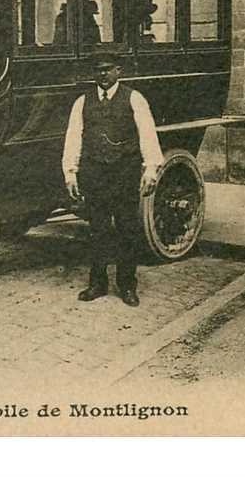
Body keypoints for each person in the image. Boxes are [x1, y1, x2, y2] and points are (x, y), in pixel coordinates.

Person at [62, 53, 163, 307]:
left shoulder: (134, 99)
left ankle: (127, 285)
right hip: (94, 172)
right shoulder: (82, 102)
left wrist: (151, 169)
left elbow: (148, 136)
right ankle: (97, 283)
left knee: (127, 227)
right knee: (97, 228)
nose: (103, 75)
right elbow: (74, 138)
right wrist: (70, 173)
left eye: (108, 69)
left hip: (124, 172)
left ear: (119, 70)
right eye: (98, 70)